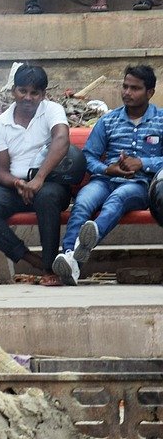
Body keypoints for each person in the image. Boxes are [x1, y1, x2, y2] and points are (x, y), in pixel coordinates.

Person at [52, 65, 163, 285]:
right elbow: (89, 156)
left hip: (139, 184)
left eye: (135, 88)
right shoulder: (108, 120)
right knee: (83, 201)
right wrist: (106, 169)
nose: (127, 92)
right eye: (125, 86)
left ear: (150, 92)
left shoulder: (161, 120)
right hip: (105, 180)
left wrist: (143, 162)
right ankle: (69, 258)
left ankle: (76, 253)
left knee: (117, 200)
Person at [0, 64, 72, 286]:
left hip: (49, 183)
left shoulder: (52, 110)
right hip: (14, 187)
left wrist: (39, 179)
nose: (28, 97)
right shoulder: (0, 124)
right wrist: (18, 183)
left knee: (47, 198)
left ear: (43, 94)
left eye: (34, 92)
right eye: (22, 91)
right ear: (13, 91)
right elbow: (0, 171)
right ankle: (33, 261)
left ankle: (49, 266)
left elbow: (62, 140)